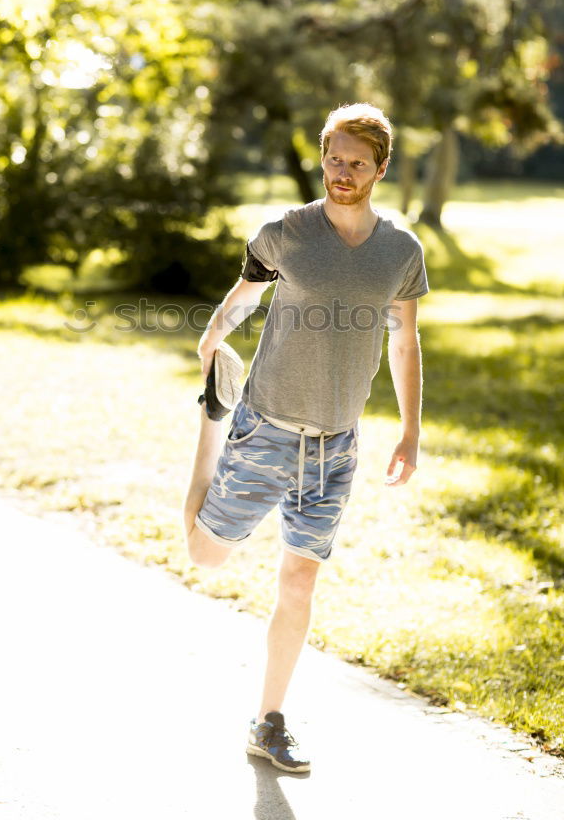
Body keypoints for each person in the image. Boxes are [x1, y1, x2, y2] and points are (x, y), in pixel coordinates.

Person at [183, 102, 429, 773]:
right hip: (264, 428)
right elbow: (248, 291)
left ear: (381, 167)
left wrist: (410, 429)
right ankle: (207, 439)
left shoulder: (401, 252)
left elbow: (404, 342)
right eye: (333, 158)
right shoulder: (286, 232)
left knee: (298, 587)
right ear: (322, 156)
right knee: (205, 557)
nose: (341, 172)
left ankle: (269, 720)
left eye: (356, 162)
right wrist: (213, 337)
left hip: (335, 447)